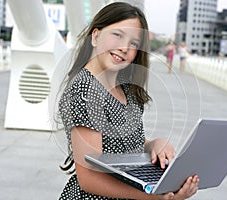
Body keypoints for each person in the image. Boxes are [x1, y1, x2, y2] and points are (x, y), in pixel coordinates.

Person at [57, 2, 199, 200]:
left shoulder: (125, 88)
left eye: (134, 43)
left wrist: (154, 144)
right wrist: (154, 198)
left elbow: (123, 143)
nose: (124, 48)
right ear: (95, 36)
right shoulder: (86, 89)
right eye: (117, 35)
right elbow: (89, 178)